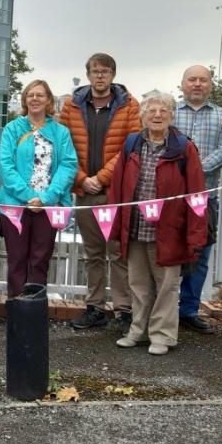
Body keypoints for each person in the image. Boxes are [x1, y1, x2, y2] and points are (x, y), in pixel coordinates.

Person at [109, 92, 207, 355]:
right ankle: (138, 331)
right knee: (138, 285)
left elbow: (197, 194)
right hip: (136, 227)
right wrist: (116, 227)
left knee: (166, 287)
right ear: (143, 116)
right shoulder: (131, 144)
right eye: (151, 110)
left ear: (172, 115)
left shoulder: (184, 148)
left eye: (163, 110)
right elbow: (117, 189)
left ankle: (162, 336)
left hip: (170, 230)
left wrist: (195, 234)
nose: (157, 115)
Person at [59, 53, 140, 333]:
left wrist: (101, 178)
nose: (100, 76)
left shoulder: (129, 106)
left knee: (118, 253)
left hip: (115, 191)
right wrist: (82, 179)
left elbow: (131, 146)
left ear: (113, 75)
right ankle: (95, 307)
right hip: (85, 191)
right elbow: (63, 146)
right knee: (92, 254)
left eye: (105, 71)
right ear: (88, 74)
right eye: (95, 71)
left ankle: (124, 309)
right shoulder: (71, 106)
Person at [0, 80, 77, 297]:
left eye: (40, 95)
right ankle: (16, 309)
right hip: (15, 204)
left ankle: (34, 311)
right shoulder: (13, 128)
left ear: (49, 100)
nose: (35, 99)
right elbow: (5, 166)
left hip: (48, 205)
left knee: (40, 259)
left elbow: (68, 166)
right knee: (17, 258)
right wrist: (30, 197)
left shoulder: (61, 132)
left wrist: (46, 198)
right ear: (24, 100)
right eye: (30, 95)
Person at [174, 65, 222, 334]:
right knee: (165, 252)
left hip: (204, 198)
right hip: (169, 198)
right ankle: (160, 309)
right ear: (183, 84)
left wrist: (194, 171)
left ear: (210, 84)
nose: (197, 84)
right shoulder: (169, 111)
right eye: (192, 79)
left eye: (203, 80)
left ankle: (188, 310)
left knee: (200, 256)